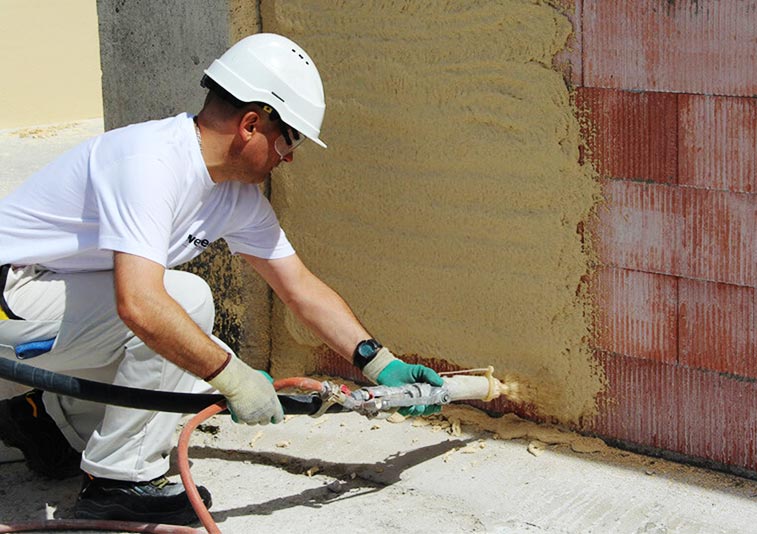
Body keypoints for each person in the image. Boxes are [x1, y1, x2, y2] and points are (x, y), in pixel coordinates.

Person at [0, 32, 443, 525]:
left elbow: (299, 287)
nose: (290, 156)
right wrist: (232, 377)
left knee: (186, 346)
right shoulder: (150, 162)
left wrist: (379, 363)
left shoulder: (233, 198)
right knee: (184, 306)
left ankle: (43, 422)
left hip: (42, 302)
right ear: (251, 124)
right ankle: (118, 481)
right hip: (11, 291)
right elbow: (138, 304)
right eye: (289, 137)